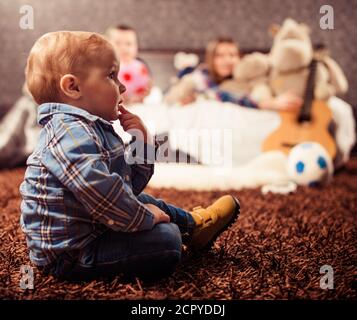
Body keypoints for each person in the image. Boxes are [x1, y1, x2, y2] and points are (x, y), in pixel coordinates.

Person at [19, 31, 240, 281]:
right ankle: (182, 230)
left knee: (143, 199)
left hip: (94, 224)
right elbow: (103, 193)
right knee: (167, 240)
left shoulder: (92, 128)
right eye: (112, 76)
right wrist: (145, 217)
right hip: (71, 254)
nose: (122, 86)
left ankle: (194, 226)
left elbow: (128, 186)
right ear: (73, 87)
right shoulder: (69, 132)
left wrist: (141, 141)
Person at [165, 37, 303, 111]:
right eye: (220, 55)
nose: (227, 60)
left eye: (232, 55)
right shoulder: (202, 75)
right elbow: (218, 94)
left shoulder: (246, 79)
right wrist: (267, 104)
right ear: (211, 59)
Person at [105, 25, 152, 104]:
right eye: (118, 43)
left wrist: (142, 95)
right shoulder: (103, 66)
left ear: (136, 47)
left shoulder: (141, 66)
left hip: (135, 103)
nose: (124, 48)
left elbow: (148, 85)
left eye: (129, 44)